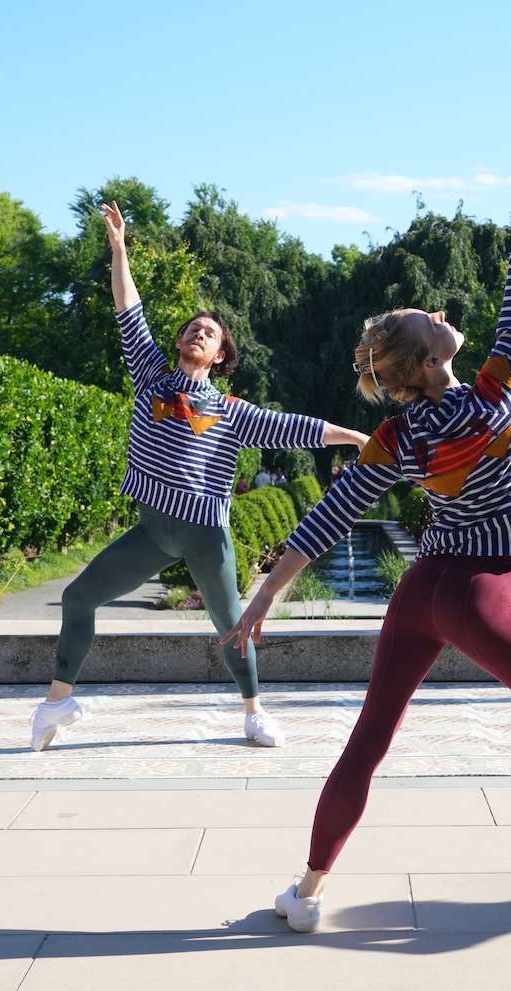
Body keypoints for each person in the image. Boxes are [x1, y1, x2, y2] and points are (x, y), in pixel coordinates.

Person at [223, 133, 511, 934]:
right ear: (432, 357)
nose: (440, 313)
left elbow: (330, 515)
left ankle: (306, 892)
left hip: (424, 587)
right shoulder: (500, 390)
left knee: (368, 741)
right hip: (473, 592)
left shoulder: (399, 435)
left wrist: (265, 594)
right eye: (429, 321)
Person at [29, 200, 370, 753]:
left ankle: (254, 712)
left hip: (205, 534)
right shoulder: (151, 378)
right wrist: (119, 250)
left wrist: (353, 437)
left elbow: (294, 427)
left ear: (220, 355)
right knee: (77, 597)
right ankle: (56, 703)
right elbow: (128, 308)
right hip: (151, 532)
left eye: (209, 332)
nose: (197, 333)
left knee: (232, 622)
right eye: (192, 327)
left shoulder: (230, 410)